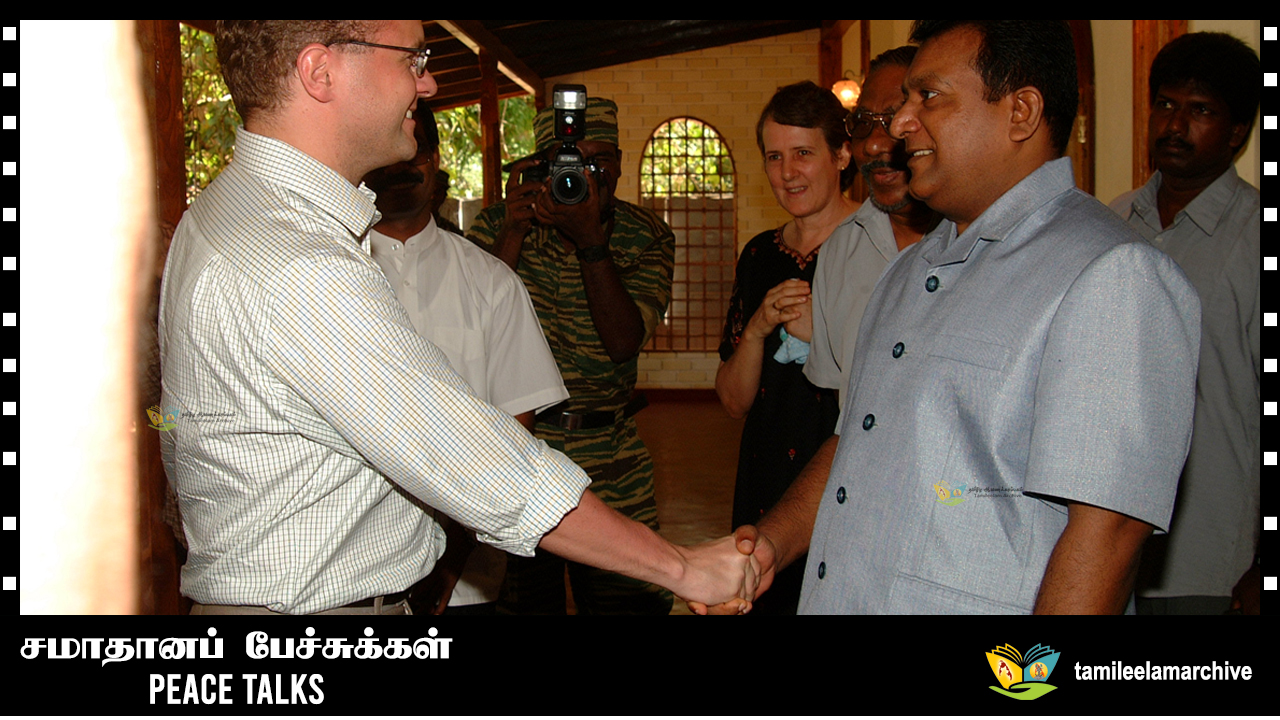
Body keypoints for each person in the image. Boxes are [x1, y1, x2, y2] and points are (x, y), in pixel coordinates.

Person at [159, 20, 756, 615]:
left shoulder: (223, 211)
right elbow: (476, 462)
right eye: (412, 59)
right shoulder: (299, 260)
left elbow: (176, 425)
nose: (428, 84)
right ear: (321, 72)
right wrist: (682, 568)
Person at [704, 20, 1201, 615]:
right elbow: (858, 439)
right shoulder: (907, 272)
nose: (900, 123)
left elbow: (1107, 536)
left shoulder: (1109, 275)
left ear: (1021, 112)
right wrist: (772, 545)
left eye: (929, 97)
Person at [468, 96, 677, 614]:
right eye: (567, 161)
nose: (583, 175)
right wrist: (514, 231)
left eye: (598, 160)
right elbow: (470, 330)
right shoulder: (497, 226)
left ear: (620, 164)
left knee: (628, 603)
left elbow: (623, 343)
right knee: (520, 606)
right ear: (538, 168)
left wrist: (591, 242)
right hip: (516, 451)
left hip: (612, 459)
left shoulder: (645, 236)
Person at [362, 100, 568, 615]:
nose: (401, 168)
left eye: (415, 152)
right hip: (354, 571)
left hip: (466, 579)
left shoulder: (491, 282)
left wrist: (450, 559)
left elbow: (513, 437)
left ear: (434, 161)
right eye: (386, 156)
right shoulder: (328, 275)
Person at [1109, 32, 1260, 615]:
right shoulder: (1112, 222)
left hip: (1211, 558)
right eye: (1166, 104)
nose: (1174, 125)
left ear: (1237, 131)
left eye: (1200, 110)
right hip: (1105, 543)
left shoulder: (1254, 238)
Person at [713, 81, 853, 614]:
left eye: (803, 154)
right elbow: (733, 402)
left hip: (846, 475)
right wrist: (756, 330)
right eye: (775, 157)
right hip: (766, 474)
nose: (788, 172)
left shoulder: (882, 248)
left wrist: (828, 338)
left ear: (841, 155)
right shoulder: (759, 256)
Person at [805, 46, 942, 405]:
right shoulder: (841, 250)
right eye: (864, 123)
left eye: (894, 119)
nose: (875, 144)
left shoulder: (979, 243)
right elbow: (840, 402)